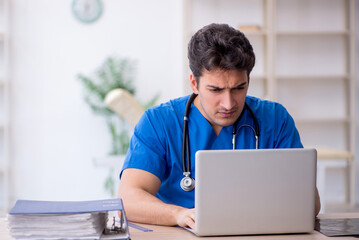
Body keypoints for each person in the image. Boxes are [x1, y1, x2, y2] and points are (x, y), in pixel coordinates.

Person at [118, 23, 321, 229]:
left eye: (239, 88)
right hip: (178, 232)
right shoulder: (158, 122)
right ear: (194, 83)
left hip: (256, 231)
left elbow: (309, 204)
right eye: (215, 90)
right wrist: (179, 215)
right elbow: (130, 198)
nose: (229, 103)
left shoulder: (275, 119)